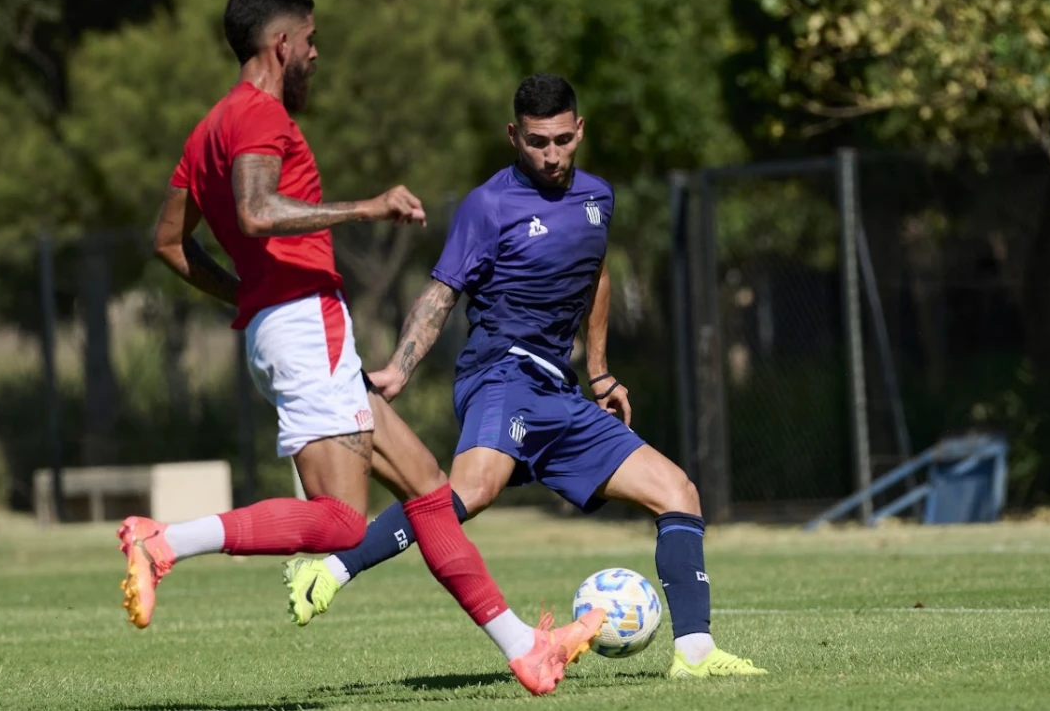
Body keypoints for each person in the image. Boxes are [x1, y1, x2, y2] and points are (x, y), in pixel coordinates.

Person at [119, 0, 603, 697]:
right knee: (343, 523)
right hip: (304, 326)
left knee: (431, 492)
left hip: (287, 325)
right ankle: (162, 542)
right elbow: (254, 212)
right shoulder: (257, 115)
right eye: (310, 42)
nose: (316, 55)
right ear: (282, 46)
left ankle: (527, 650)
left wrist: (248, 295)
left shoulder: (209, 127)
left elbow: (168, 243)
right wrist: (366, 207)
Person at [282, 73, 767, 680]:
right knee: (466, 494)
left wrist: (599, 373)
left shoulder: (597, 198)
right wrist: (399, 369)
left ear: (579, 129)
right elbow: (440, 295)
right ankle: (329, 569)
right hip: (500, 375)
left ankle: (695, 655)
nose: (553, 155)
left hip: (559, 390)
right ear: (514, 135)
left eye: (563, 140)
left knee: (679, 493)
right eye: (538, 142)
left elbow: (596, 273)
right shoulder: (488, 206)